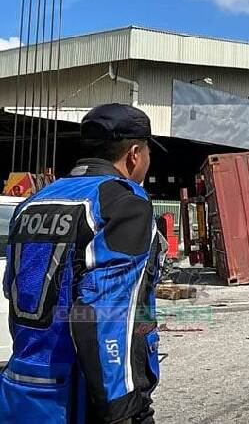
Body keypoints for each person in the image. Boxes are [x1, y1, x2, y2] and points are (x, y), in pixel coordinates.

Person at [1, 103, 165, 423]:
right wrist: (121, 405)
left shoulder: (34, 202)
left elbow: (14, 289)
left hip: (24, 386)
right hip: (84, 395)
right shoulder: (123, 203)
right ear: (134, 154)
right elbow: (106, 309)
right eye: (147, 152)